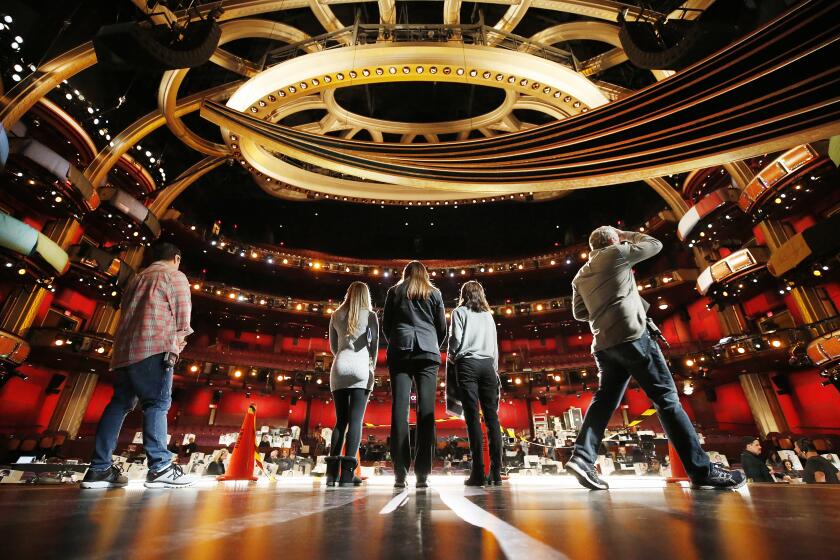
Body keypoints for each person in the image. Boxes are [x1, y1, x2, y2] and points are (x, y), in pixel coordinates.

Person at [565, 226, 745, 491]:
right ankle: (702, 471)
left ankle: (582, 457)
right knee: (667, 400)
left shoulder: (580, 275)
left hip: (604, 344)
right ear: (613, 241)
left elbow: (580, 313)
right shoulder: (616, 252)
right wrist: (626, 235)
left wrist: (606, 302)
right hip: (633, 337)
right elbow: (654, 245)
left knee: (604, 401)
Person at [82, 242, 195, 489]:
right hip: (154, 347)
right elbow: (182, 315)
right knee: (157, 403)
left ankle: (99, 469)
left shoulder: (136, 278)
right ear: (176, 258)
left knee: (119, 404)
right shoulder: (174, 275)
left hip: (124, 351)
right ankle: (160, 467)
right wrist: (178, 343)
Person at [383, 261, 446, 489]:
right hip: (428, 351)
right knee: (426, 412)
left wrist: (400, 341)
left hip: (400, 350)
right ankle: (422, 474)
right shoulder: (435, 293)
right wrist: (430, 343)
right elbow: (441, 329)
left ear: (405, 273)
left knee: (400, 410)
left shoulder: (395, 291)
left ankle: (400, 474)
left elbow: (386, 325)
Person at [447, 280, 502, 486]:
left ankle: (478, 472)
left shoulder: (459, 312)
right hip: (488, 365)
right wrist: (493, 369)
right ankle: (496, 472)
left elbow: (455, 339)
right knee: (492, 418)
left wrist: (452, 354)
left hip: (467, 364)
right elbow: (495, 346)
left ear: (463, 294)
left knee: (472, 418)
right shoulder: (488, 315)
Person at [325, 281, 378, 487]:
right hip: (360, 366)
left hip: (339, 366)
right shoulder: (370, 315)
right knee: (356, 421)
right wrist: (370, 364)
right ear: (366, 295)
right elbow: (373, 346)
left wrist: (342, 357)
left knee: (340, 421)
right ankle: (348, 475)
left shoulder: (336, 315)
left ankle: (331, 475)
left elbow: (332, 346)